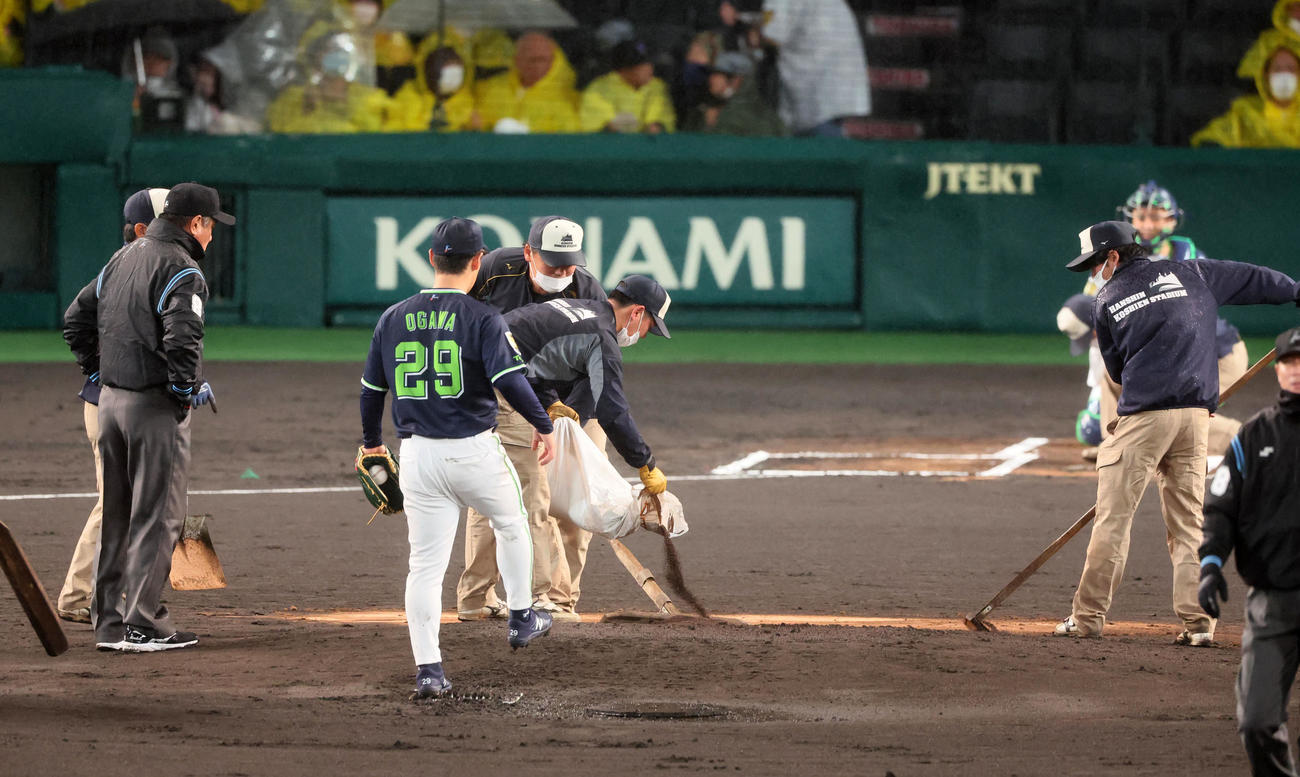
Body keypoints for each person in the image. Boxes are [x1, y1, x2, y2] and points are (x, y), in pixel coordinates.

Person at [1054, 220, 1300, 643]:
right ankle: (1199, 624)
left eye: (1094, 264)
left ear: (1112, 256)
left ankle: (1087, 617)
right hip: (1194, 418)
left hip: (1145, 418)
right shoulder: (1192, 272)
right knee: (1189, 525)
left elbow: (1116, 370)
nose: (1094, 275)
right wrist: (1295, 291)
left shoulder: (1107, 300)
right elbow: (1254, 279)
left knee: (1114, 520)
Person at [358, 217, 556, 699]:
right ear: (476, 262)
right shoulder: (482, 317)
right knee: (511, 523)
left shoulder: (393, 316)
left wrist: (372, 444)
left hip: (419, 456)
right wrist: (543, 424)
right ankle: (521, 615)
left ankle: (429, 671)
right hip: (475, 452)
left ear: (430, 259)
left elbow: (370, 392)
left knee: (424, 567)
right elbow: (511, 381)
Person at [62, 182, 234, 652]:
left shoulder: (124, 256)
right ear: (195, 223)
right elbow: (183, 340)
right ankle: (144, 624)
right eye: (211, 225)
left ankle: (109, 624)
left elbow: (75, 320)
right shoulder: (182, 268)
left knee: (116, 513)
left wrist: (100, 372)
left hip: (110, 403)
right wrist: (183, 392)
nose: (213, 235)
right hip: (152, 408)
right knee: (158, 516)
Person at [457, 216, 606, 622]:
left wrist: (570, 413)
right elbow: (459, 321)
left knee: (578, 503)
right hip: (507, 392)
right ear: (528, 252)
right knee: (506, 494)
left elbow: (599, 368)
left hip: (572, 397)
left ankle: (561, 598)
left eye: (568, 265)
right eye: (552, 262)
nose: (561, 273)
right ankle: (479, 596)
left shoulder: (588, 289)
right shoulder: (494, 271)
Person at [501, 275, 671, 554]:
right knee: (526, 498)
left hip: (486, 362)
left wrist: (550, 402)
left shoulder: (583, 310)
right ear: (638, 312)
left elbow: (535, 351)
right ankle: (534, 595)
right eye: (648, 327)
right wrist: (645, 463)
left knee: (518, 495)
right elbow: (612, 410)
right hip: (491, 380)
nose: (641, 335)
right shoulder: (603, 338)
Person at [1199, 327, 1300, 777]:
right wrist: (1210, 563)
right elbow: (1221, 506)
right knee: (1257, 722)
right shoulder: (1253, 436)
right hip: (1272, 604)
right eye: (1289, 362)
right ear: (1278, 369)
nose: (1297, 371)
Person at [760, 0, 870, 137]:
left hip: (818, 83)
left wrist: (752, 32)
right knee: (828, 131)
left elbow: (771, 38)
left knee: (820, 141)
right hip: (839, 77)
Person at [266, 27, 393, 133]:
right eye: (329, 49)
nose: (336, 54)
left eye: (341, 50)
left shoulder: (369, 97)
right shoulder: (294, 98)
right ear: (314, 55)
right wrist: (309, 108)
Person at [1191, 29, 1300, 149]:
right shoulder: (1247, 113)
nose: (1284, 75)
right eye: (1277, 69)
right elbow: (1215, 136)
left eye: (1291, 69)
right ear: (1265, 75)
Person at [473, 31, 578, 134]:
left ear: (554, 60)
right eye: (532, 60)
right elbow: (471, 120)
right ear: (517, 60)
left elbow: (569, 138)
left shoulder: (564, 95)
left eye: (542, 60)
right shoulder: (490, 88)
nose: (537, 66)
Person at [386, 28, 477, 132]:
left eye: (457, 68)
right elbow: (393, 134)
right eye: (445, 66)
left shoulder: (467, 102)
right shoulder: (408, 98)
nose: (452, 78)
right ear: (427, 69)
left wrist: (473, 127)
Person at [579, 39, 676, 134]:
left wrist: (657, 125)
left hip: (648, 146)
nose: (649, 69)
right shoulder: (598, 89)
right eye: (641, 66)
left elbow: (663, 120)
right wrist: (611, 127)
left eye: (650, 63)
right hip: (611, 147)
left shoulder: (657, 86)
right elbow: (595, 130)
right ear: (624, 70)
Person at [682, 50, 785, 136]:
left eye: (717, 75)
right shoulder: (700, 111)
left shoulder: (755, 118)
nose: (710, 79)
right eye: (711, 74)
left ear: (736, 80)